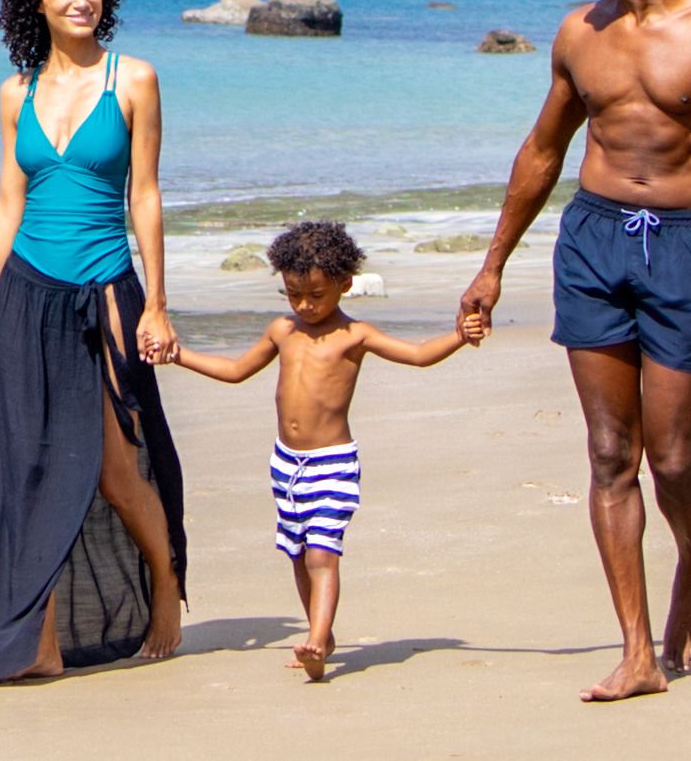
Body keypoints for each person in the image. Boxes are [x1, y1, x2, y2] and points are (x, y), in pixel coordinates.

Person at [455, 0, 691, 704]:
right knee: (607, 453)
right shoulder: (577, 33)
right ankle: (636, 650)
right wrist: (492, 263)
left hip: (684, 246)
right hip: (593, 241)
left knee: (672, 457)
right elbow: (542, 151)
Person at [0, 0, 189, 684]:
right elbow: (6, 205)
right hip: (27, 289)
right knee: (29, 468)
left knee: (116, 468)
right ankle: (41, 643)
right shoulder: (14, 92)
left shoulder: (135, 79)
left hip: (105, 287)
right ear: (38, 3)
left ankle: (165, 589)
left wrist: (157, 301)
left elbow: (144, 195)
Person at [165, 219, 483, 681]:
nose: (305, 305)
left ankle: (316, 641)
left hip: (332, 462)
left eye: (316, 295)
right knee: (297, 553)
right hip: (285, 464)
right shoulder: (281, 330)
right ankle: (322, 632)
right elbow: (236, 370)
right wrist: (180, 355)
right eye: (294, 294)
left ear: (345, 284)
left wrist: (460, 335)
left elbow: (417, 355)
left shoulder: (354, 336)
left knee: (321, 554)